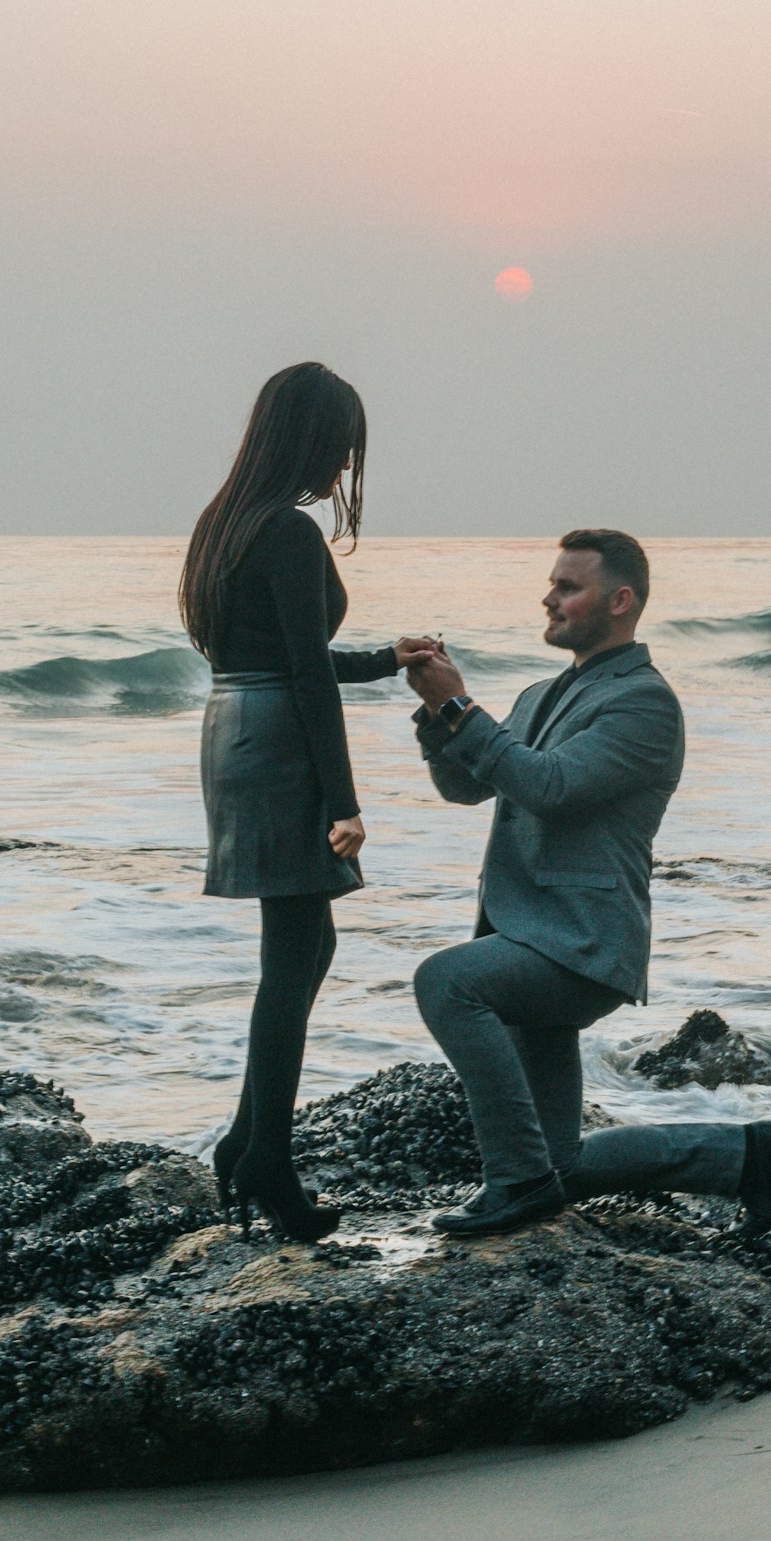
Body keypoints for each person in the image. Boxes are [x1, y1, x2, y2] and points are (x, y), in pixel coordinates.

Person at [408, 530, 771, 1240]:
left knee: (446, 982)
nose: (548, 598)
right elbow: (464, 785)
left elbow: (550, 787)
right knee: (561, 1166)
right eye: (551, 583)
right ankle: (743, 1155)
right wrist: (438, 714)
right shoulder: (538, 694)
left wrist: (463, 710)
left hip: (583, 945)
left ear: (620, 602)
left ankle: (514, 1184)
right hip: (528, 934)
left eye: (568, 587)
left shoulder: (643, 703)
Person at [181, 361, 434, 1244]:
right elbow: (303, 682)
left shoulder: (224, 523)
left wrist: (379, 661)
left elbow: (282, 654)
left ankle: (251, 1142)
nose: (344, 471)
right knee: (297, 952)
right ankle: (265, 1162)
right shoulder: (286, 532)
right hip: (280, 740)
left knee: (298, 945)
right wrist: (345, 802)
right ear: (312, 443)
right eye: (341, 450)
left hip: (233, 728)